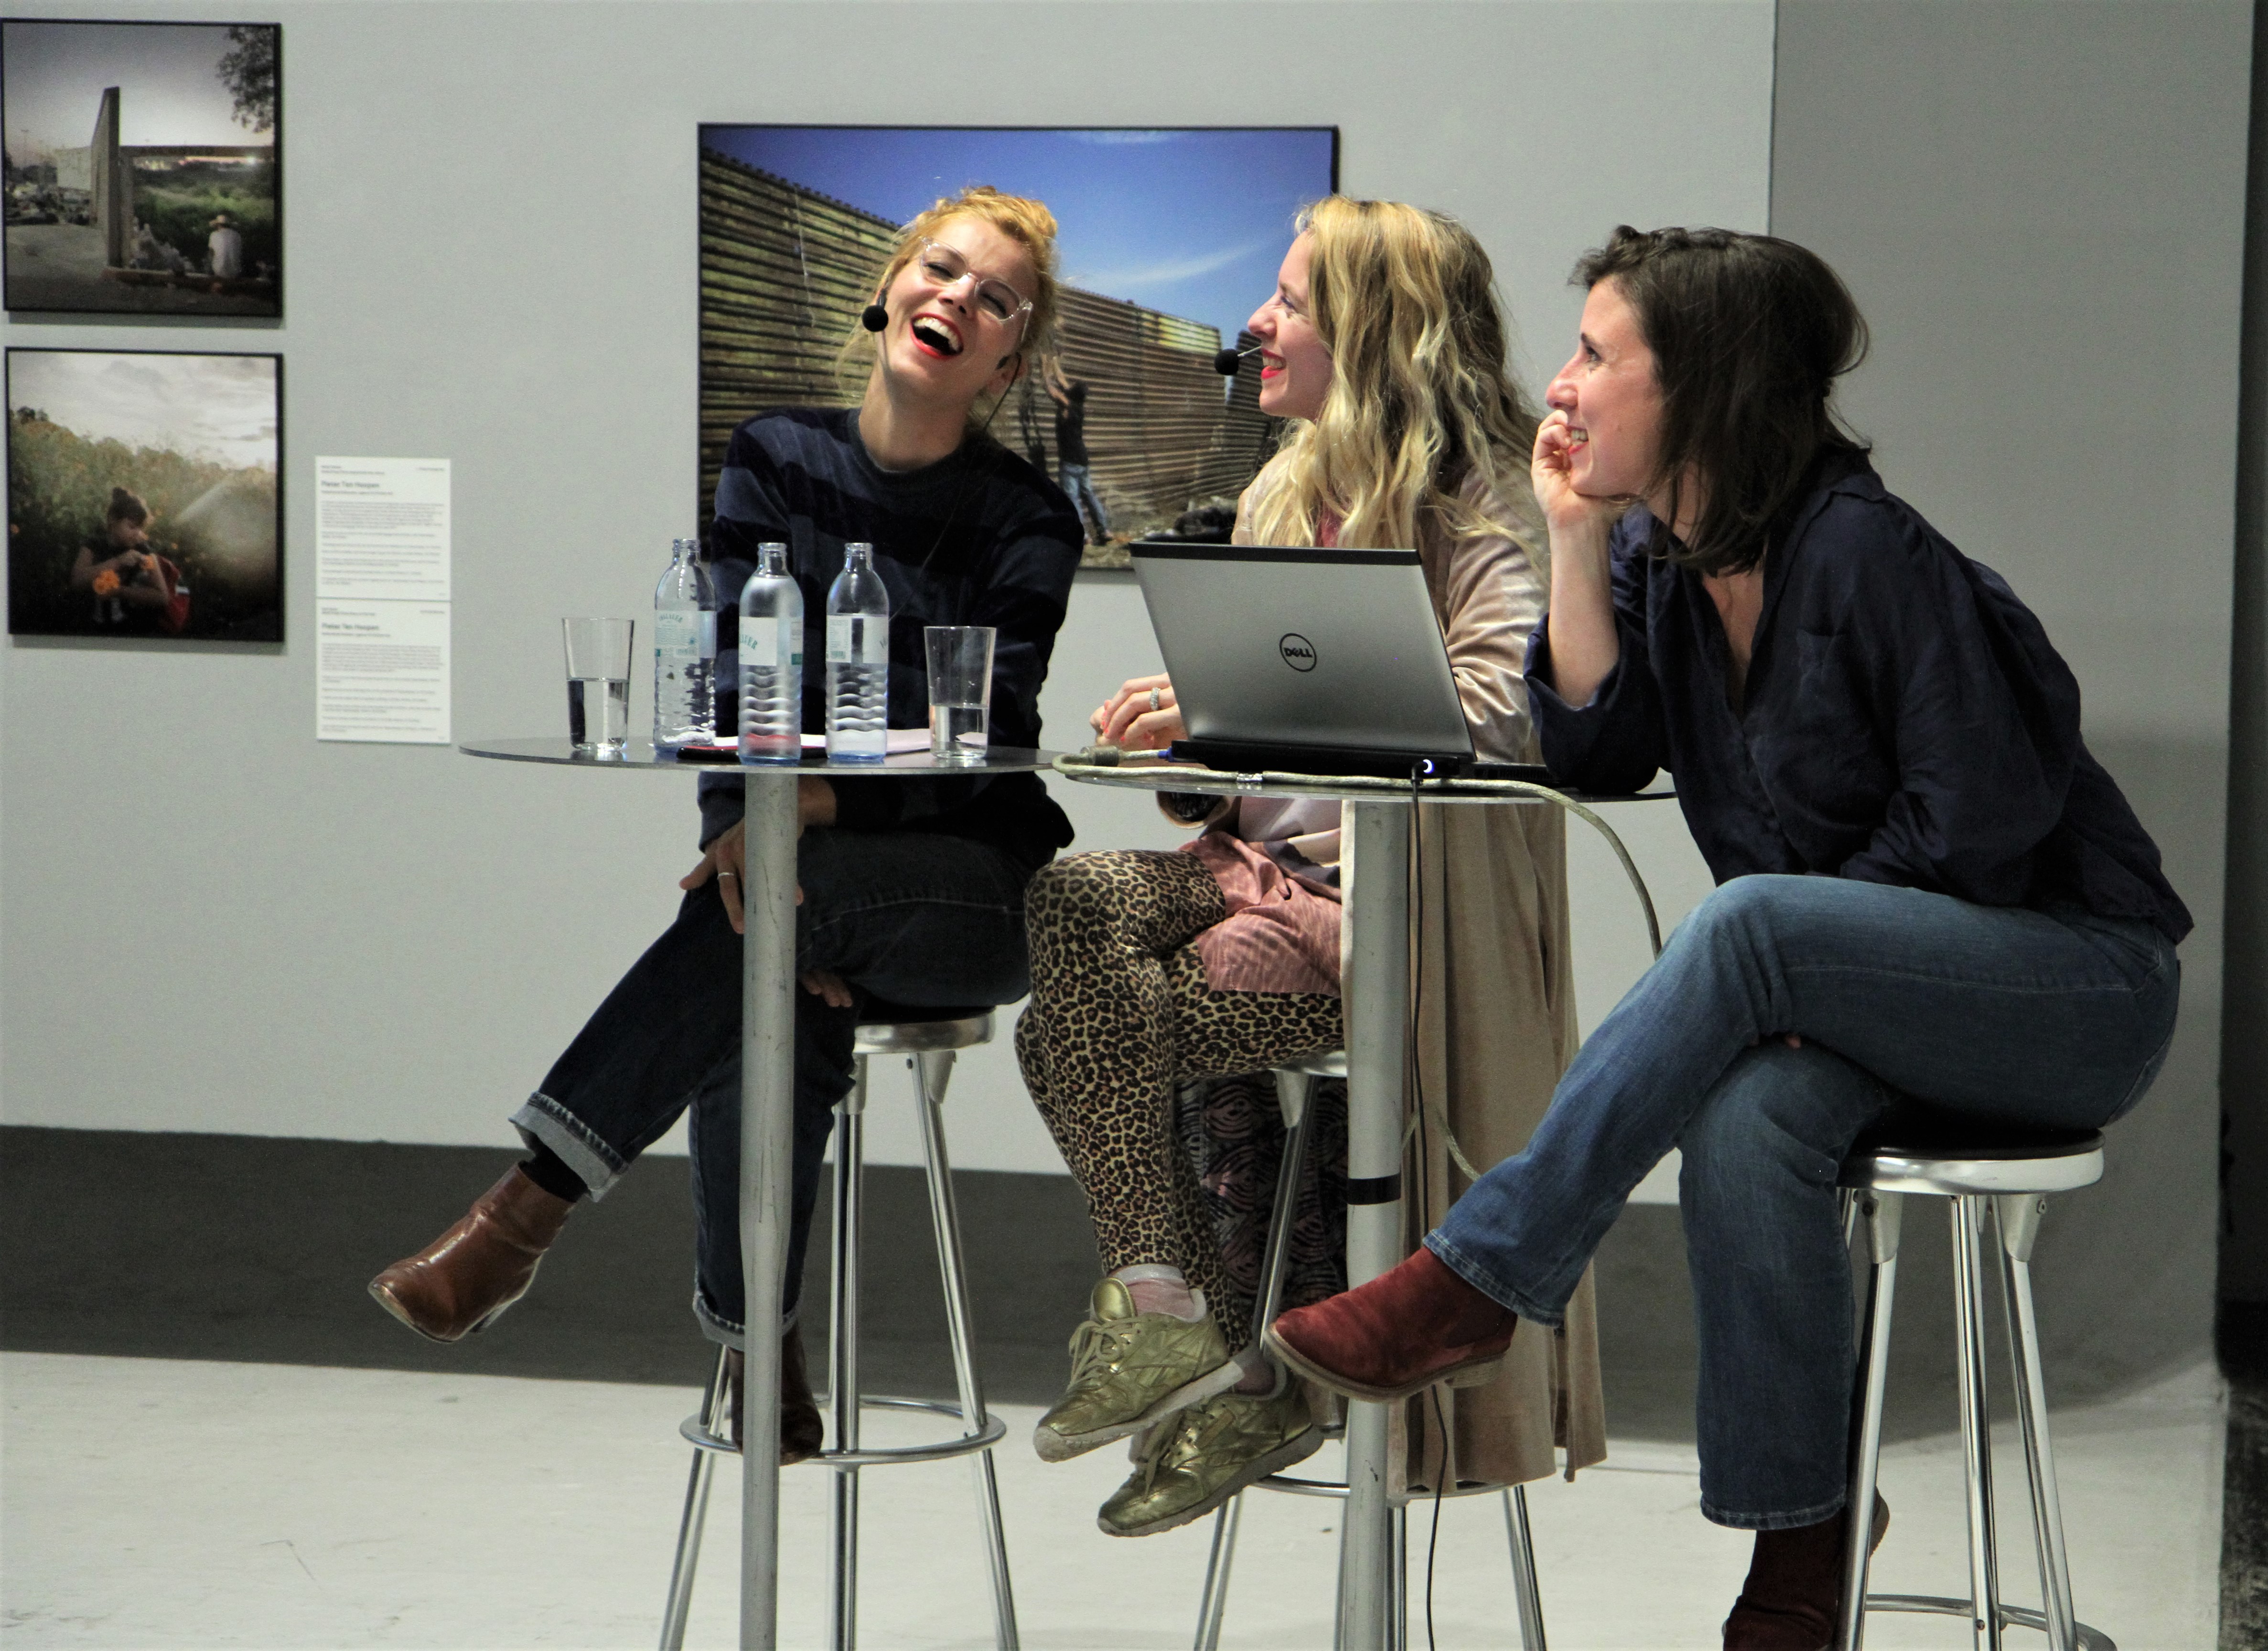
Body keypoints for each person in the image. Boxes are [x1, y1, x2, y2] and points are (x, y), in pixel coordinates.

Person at [1263, 226, 2190, 1649]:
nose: (1558, 385)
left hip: (2068, 987)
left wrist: (1793, 973)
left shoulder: (1866, 551)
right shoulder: (1659, 556)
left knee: (1752, 925)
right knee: (1746, 1122)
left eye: (1594, 356)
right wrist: (1574, 537)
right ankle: (1803, 1549)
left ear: (1700, 385)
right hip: (1858, 1005)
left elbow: (1977, 836)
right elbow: (1592, 752)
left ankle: (1476, 1278)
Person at [369, 186, 1085, 1463]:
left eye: (995, 300)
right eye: (940, 269)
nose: (956, 301)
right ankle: (764, 1355)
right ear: (888, 289)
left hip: (974, 889)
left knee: (766, 928)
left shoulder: (1027, 517)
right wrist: (746, 830)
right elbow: (723, 682)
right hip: (799, 869)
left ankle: (527, 1213)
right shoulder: (774, 456)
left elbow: (986, 734)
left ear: (1008, 362)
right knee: (767, 993)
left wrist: (814, 804)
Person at [1013, 197, 1607, 1540]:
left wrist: (1250, 708)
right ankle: (1181, 1316)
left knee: (1070, 1034)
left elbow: (1504, 717)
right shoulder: (1282, 493)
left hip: (1391, 917)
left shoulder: (1481, 504)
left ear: (1376, 331)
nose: (1256, 323)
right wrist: (1191, 736)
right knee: (1069, 896)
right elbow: (1257, 764)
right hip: (1251, 870)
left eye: (1289, 300)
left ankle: (1231, 1350)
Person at [69, 488, 171, 630]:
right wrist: (118, 562)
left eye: (141, 529)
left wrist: (120, 591)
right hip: (91, 627)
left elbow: (162, 597)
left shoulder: (143, 551)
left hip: (131, 629)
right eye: (132, 527)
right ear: (112, 520)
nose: (138, 534)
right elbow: (76, 582)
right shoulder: (94, 545)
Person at [1042, 355, 1108, 544]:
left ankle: (1083, 536)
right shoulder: (1078, 406)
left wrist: (1045, 365)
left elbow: (1050, 388)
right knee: (1089, 494)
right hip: (1083, 460)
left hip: (1070, 461)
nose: (1068, 386)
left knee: (1072, 498)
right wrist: (1055, 361)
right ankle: (1104, 531)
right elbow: (1062, 380)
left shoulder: (1067, 405)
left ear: (1073, 393)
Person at [207, 214, 245, 281]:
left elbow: (211, 253)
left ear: (218, 225)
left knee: (211, 257)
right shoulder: (237, 235)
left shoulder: (214, 235)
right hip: (235, 271)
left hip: (219, 271)